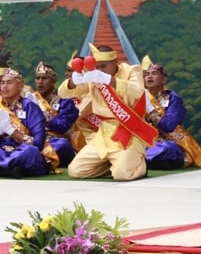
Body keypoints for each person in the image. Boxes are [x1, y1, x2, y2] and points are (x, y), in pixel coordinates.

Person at [59, 44, 153, 181]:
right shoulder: (93, 76)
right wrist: (73, 82)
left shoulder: (131, 71)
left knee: (123, 175)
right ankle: (112, 164)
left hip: (129, 132)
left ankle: (138, 165)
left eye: (104, 66)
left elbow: (138, 90)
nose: (100, 70)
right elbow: (63, 94)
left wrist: (110, 81)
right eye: (97, 66)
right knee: (75, 171)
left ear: (115, 62)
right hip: (104, 135)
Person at [141, 56, 201, 170]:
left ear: (164, 79)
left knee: (168, 149)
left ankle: (144, 160)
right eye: (146, 74)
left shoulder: (173, 98)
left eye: (154, 73)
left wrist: (151, 110)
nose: (149, 76)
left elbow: (169, 126)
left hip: (167, 141)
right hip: (145, 141)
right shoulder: (138, 98)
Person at [27, 61, 80, 169]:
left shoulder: (65, 102)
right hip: (35, 140)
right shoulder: (29, 100)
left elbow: (63, 127)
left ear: (53, 81)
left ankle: (34, 161)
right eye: (37, 78)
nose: (40, 82)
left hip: (55, 142)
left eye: (44, 78)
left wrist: (42, 113)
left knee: (62, 144)